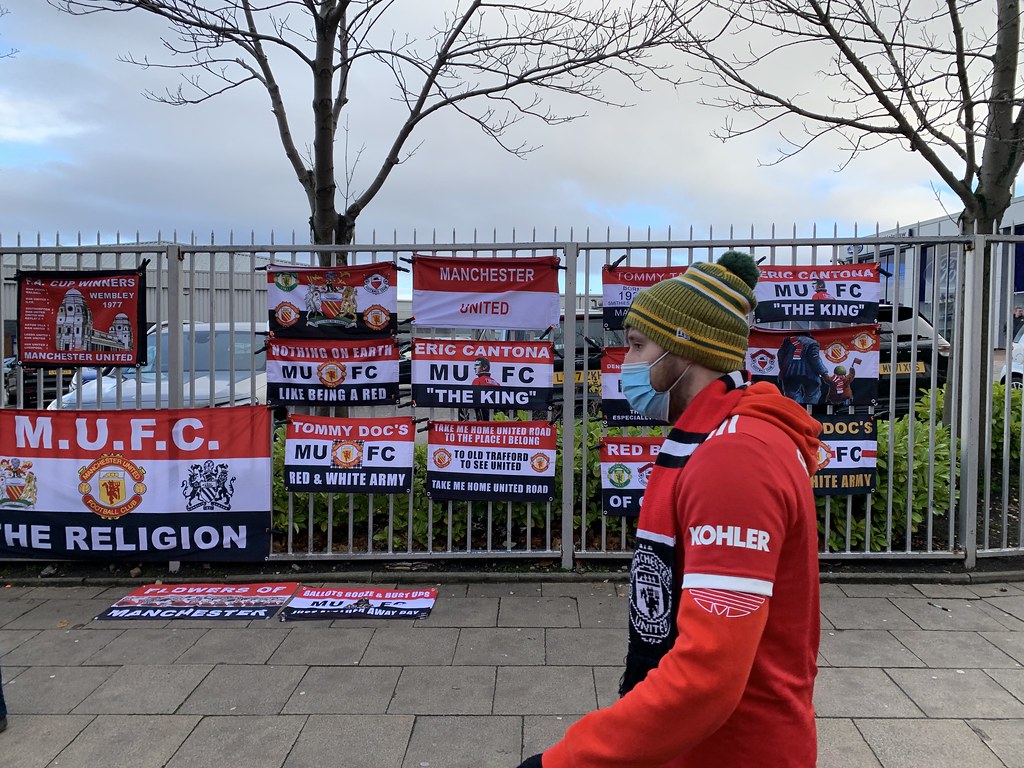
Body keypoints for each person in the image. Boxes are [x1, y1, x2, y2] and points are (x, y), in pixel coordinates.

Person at [516, 251, 822, 768]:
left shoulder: (735, 458)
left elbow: (707, 677)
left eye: (637, 345)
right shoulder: (724, 439)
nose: (625, 362)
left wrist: (564, 762)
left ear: (685, 346)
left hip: (734, 751)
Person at [777, 332, 831, 405]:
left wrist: (783, 368)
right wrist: (824, 373)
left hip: (790, 372)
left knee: (792, 394)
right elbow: (815, 359)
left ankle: (797, 412)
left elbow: (780, 354)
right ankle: (810, 412)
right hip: (809, 373)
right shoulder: (813, 343)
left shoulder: (788, 340)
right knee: (812, 394)